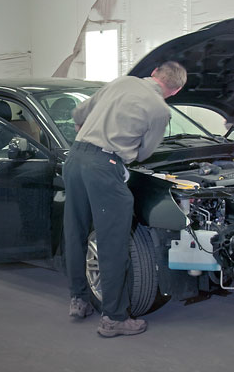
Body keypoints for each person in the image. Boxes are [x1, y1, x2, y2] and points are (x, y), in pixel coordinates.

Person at [63, 61, 187, 337]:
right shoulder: (160, 110)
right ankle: (114, 318)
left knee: (76, 233)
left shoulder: (122, 81)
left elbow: (79, 112)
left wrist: (90, 136)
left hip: (74, 159)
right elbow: (144, 154)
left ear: (154, 73)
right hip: (105, 167)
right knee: (113, 244)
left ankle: (79, 299)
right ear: (175, 91)